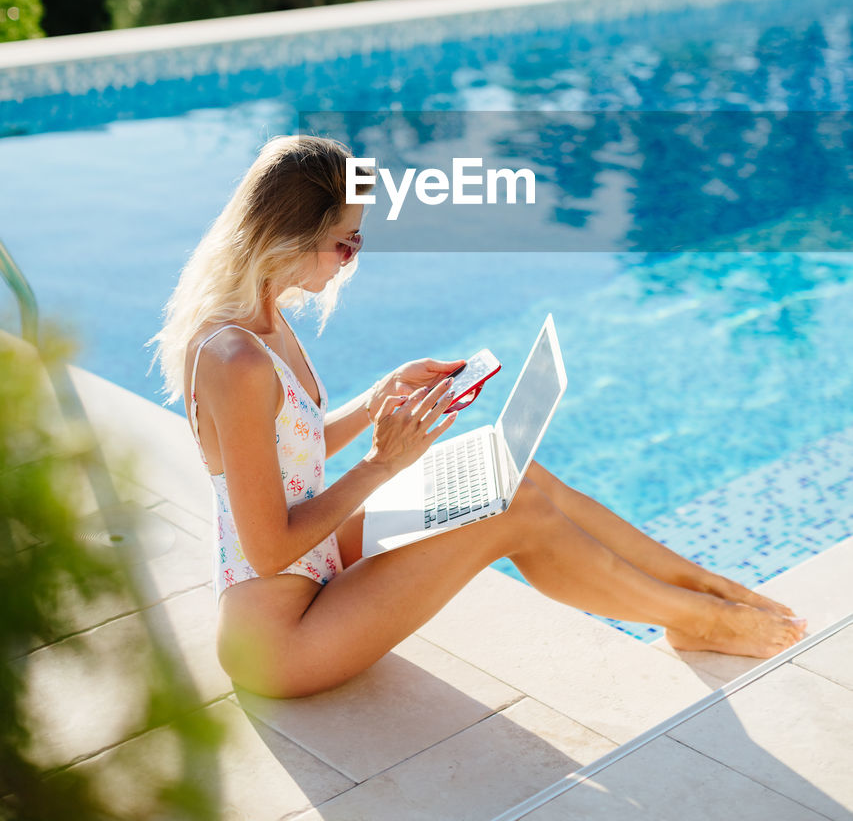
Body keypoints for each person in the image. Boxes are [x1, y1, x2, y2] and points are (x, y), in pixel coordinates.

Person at [155, 134, 806, 700]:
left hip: (313, 569)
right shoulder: (236, 358)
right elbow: (268, 546)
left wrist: (376, 398)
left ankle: (700, 588)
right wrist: (383, 464)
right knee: (511, 513)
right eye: (345, 244)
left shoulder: (262, 321)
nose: (352, 258)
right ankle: (698, 619)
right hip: (280, 636)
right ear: (289, 237)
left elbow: (285, 456)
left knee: (508, 471)